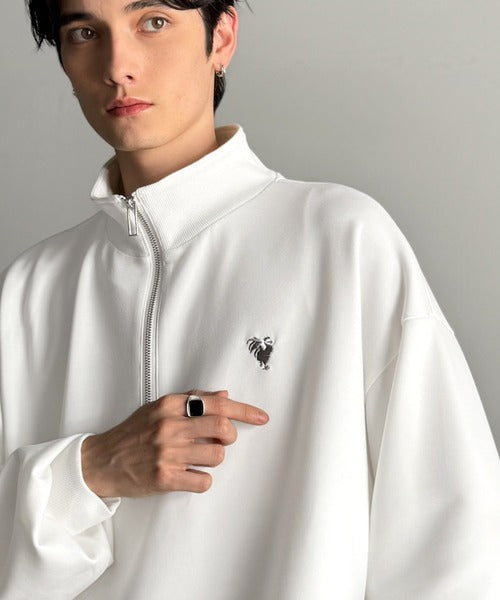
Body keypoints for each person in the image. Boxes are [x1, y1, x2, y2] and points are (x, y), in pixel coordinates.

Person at [1, 0, 499, 598]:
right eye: (85, 33)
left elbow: (455, 541)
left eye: (153, 22)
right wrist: (89, 470)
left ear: (221, 37)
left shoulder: (342, 241)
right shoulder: (31, 290)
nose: (117, 66)